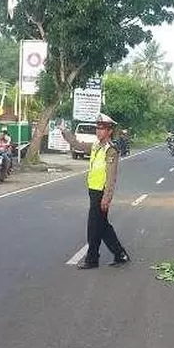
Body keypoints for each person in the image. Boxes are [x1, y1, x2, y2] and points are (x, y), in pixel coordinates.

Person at [61, 113, 130, 269]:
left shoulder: (110, 150)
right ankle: (120, 254)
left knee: (94, 226)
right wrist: (65, 132)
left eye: (102, 129)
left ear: (109, 131)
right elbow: (77, 145)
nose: (98, 131)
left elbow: (111, 176)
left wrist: (107, 197)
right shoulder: (95, 146)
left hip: (101, 192)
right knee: (102, 226)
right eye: (97, 128)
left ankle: (92, 259)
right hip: (93, 191)